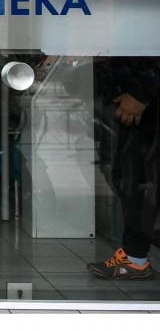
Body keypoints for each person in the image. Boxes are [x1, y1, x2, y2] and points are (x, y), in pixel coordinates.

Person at [87, 57, 160, 280]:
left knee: (141, 182)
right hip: (128, 95)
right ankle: (134, 258)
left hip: (143, 100)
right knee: (132, 179)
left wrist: (141, 92)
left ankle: (135, 259)